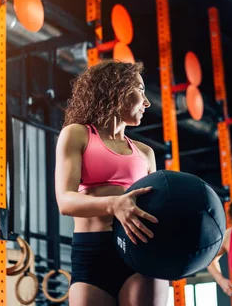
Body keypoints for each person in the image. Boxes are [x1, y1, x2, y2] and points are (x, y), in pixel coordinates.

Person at [55, 60, 169, 306]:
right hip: (92, 254)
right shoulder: (77, 134)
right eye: (140, 89)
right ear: (116, 89)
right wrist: (114, 204)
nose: (147, 102)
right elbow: (65, 201)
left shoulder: (145, 153)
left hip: (140, 251)